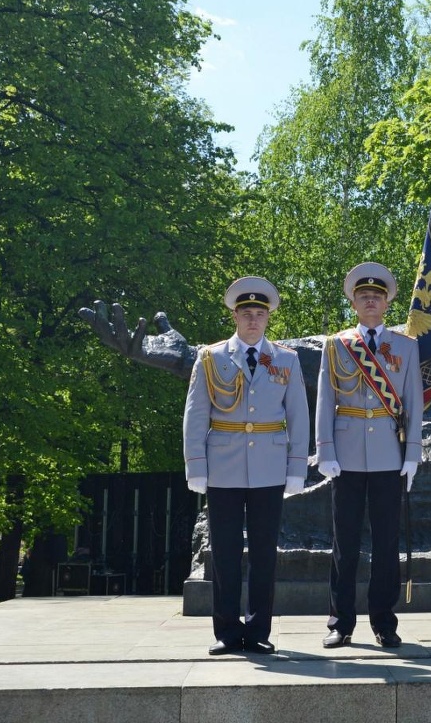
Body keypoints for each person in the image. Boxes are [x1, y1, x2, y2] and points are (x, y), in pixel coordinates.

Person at [184, 275, 309, 656]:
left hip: (270, 465)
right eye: (246, 313)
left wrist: (296, 467)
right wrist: (196, 466)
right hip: (222, 465)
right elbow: (195, 414)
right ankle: (225, 631)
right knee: (222, 552)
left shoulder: (286, 359)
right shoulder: (211, 357)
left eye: (259, 313)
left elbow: (299, 416)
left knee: (264, 552)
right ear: (235, 317)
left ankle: (258, 631)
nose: (253, 319)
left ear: (268, 318)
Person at [316, 263, 424, 649]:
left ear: (387, 303)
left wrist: (412, 454)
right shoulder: (337, 345)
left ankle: (383, 621)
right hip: (344, 454)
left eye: (377, 296)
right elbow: (326, 401)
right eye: (364, 295)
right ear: (354, 302)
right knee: (344, 542)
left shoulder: (406, 346)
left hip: (387, 455)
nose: (371, 301)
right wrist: (324, 450)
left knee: (386, 543)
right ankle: (340, 621)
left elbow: (413, 403)